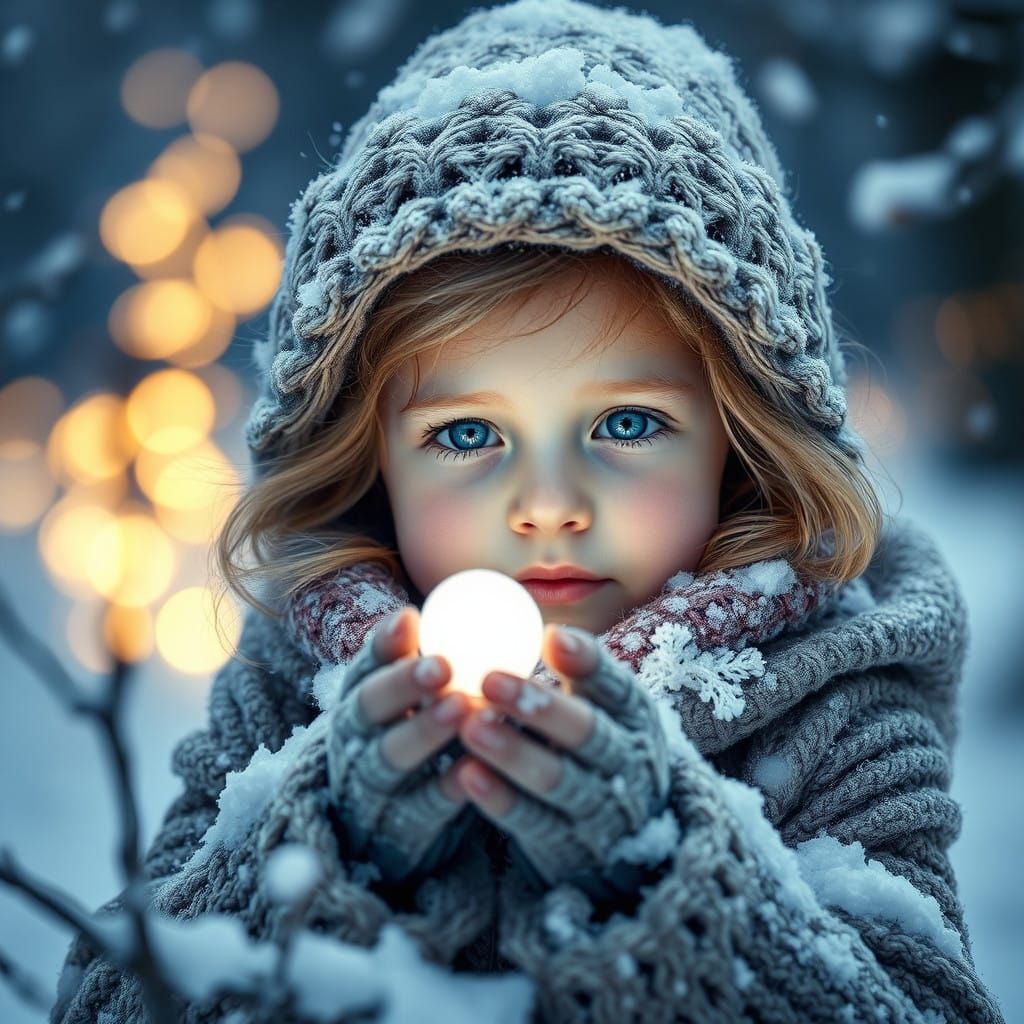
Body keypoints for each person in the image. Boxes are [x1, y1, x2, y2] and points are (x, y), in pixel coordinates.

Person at [52, 0, 1006, 1021]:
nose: (548, 506)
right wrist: (324, 850)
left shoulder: (832, 705)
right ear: (368, 459)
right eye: (468, 435)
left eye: (628, 424)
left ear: (740, 438)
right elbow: (114, 996)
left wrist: (661, 870)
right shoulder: (293, 695)